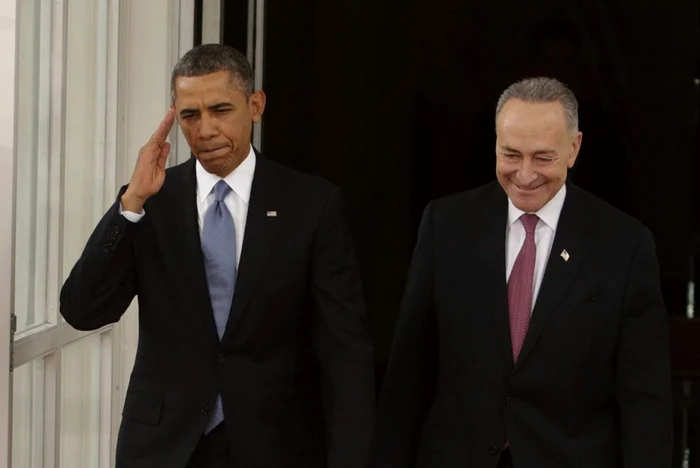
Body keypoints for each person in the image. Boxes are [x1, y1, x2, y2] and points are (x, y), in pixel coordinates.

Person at [60, 44, 375, 468]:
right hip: (164, 447)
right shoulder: (152, 200)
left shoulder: (312, 205)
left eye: (221, 110)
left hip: (276, 447)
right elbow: (83, 310)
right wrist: (130, 204)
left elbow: (345, 354)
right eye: (189, 116)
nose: (204, 130)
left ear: (256, 105)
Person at [368, 77, 672, 468]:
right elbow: (409, 374)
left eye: (543, 158)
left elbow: (644, 399)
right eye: (511, 155)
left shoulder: (624, 245)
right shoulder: (447, 225)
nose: (525, 174)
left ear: (574, 147)